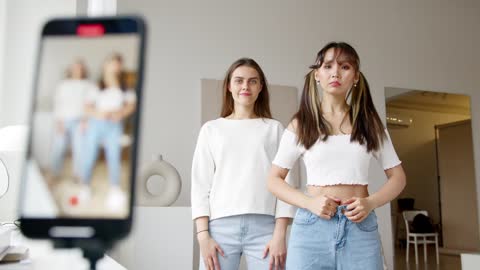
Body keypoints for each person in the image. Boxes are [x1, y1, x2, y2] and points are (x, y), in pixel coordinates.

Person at [267, 42, 406, 269]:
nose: (335, 73)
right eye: (328, 66)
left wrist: (370, 202)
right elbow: (273, 179)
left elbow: (398, 177)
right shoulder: (301, 123)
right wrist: (309, 203)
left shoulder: (369, 123)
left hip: (360, 229)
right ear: (317, 75)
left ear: (356, 76)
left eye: (345, 66)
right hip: (311, 229)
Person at [191, 58, 296, 270]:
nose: (245, 86)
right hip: (219, 229)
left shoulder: (274, 129)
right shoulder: (211, 130)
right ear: (229, 86)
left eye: (252, 81)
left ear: (260, 87)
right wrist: (203, 237)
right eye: (239, 81)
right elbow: (200, 184)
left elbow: (287, 185)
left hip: (266, 229)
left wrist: (280, 235)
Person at [80, 53, 136, 209]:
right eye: (113, 62)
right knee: (89, 155)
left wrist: (120, 113)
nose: (115, 66)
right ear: (106, 64)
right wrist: (98, 114)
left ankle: (115, 189)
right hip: (96, 123)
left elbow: (131, 105)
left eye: (118, 63)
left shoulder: (125, 86)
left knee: (114, 156)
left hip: (114, 125)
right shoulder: (96, 85)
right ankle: (85, 186)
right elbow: (87, 107)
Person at [51, 59, 95, 179]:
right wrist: (59, 122)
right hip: (63, 121)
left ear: (83, 70)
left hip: (80, 121)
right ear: (70, 69)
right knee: (58, 148)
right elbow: (58, 104)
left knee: (79, 149)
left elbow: (90, 104)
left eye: (80, 68)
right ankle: (55, 174)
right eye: (75, 68)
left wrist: (85, 121)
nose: (77, 70)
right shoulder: (63, 84)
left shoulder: (88, 84)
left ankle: (78, 175)